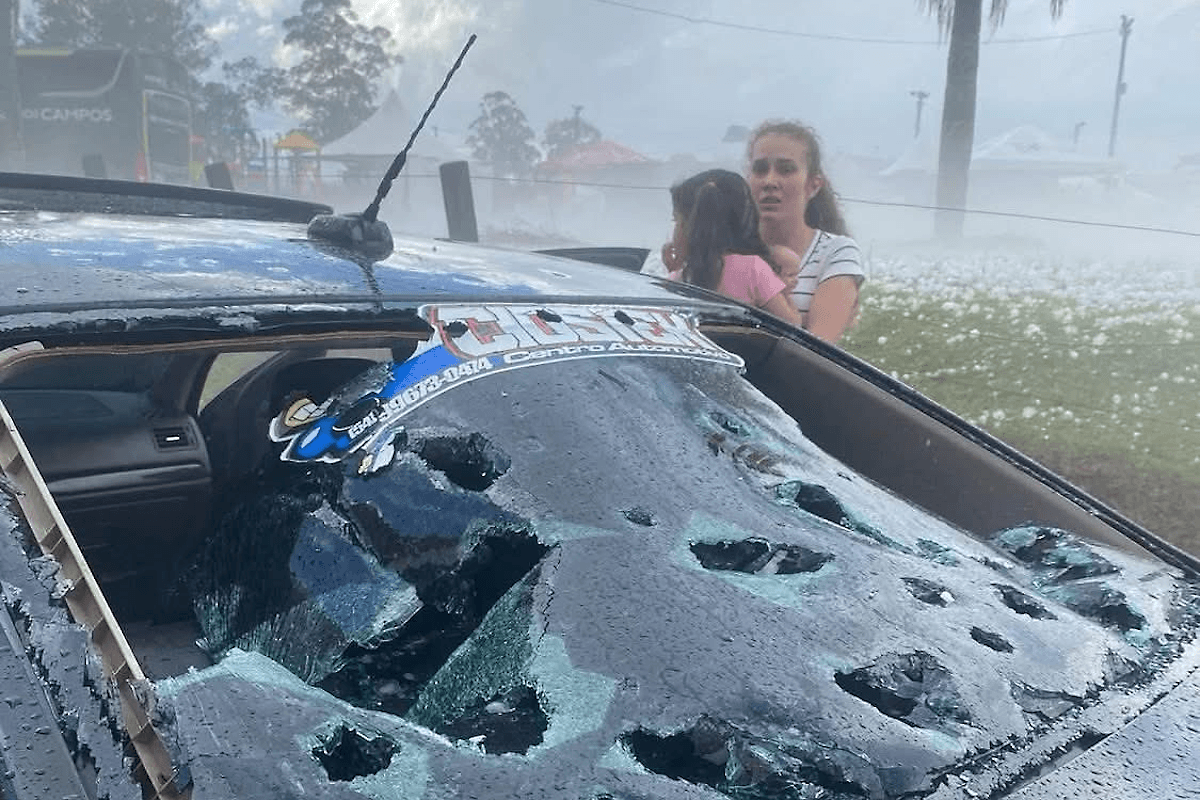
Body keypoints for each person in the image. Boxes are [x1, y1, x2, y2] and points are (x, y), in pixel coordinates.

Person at [746, 120, 865, 343]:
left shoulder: (836, 252)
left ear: (813, 185)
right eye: (760, 169)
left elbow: (819, 347)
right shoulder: (727, 249)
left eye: (786, 170)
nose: (770, 181)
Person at [662, 169, 804, 328]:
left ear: (691, 227)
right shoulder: (753, 268)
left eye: (676, 220)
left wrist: (674, 273)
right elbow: (793, 324)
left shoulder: (681, 278)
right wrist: (781, 289)